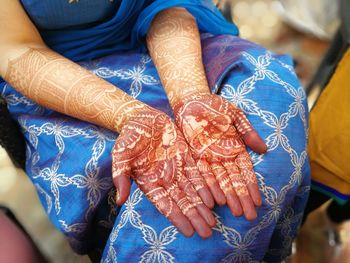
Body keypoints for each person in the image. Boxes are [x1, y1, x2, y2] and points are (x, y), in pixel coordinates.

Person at [0, 0, 310, 262]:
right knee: (169, 199)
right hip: (57, 77)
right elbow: (17, 49)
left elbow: (165, 3)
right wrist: (131, 116)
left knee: (265, 132)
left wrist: (189, 96)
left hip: (178, 39)